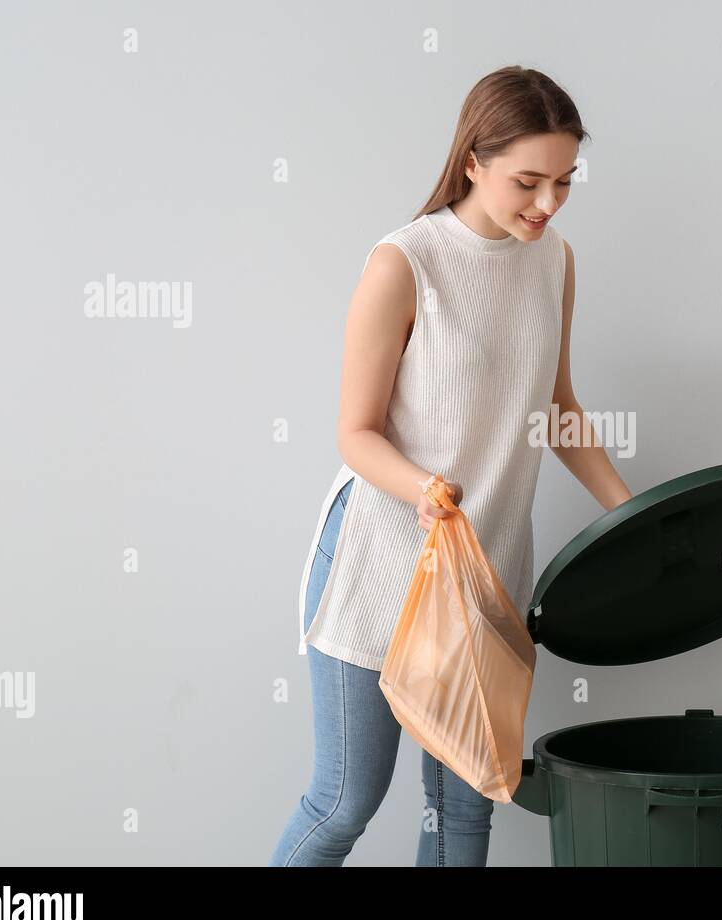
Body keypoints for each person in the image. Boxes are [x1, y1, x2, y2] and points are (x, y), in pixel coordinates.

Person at [270, 65, 633, 866]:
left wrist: (627, 514)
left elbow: (557, 405)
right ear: (474, 161)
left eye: (565, 182)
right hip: (378, 566)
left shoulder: (553, 261)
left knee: (465, 813)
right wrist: (423, 489)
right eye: (528, 181)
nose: (547, 203)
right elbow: (355, 433)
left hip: (486, 572)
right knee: (343, 804)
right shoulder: (406, 263)